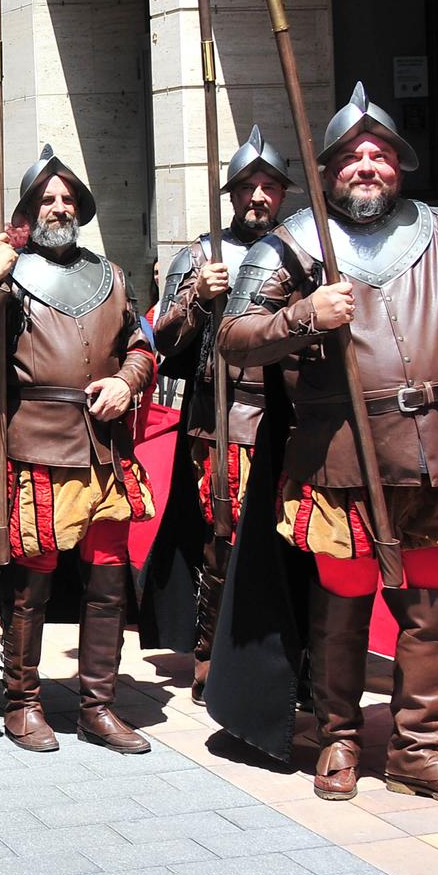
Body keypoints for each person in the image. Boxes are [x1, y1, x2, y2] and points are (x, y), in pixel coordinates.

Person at [219, 83, 438, 807]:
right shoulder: (295, 240)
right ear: (330, 167)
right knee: (343, 602)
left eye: (379, 154)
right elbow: (233, 336)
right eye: (350, 156)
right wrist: (303, 313)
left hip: (436, 447)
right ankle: (339, 736)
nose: (366, 165)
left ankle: (418, 749)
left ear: (399, 164)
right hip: (339, 449)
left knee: (434, 607)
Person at [0, 143, 159, 757]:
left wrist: (126, 383)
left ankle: (97, 705)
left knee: (106, 583)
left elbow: (142, 347)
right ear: (27, 209)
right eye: (46, 198)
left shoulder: (112, 274)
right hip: (36, 444)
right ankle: (22, 702)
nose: (58, 205)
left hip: (103, 448)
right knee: (30, 585)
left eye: (67, 197)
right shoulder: (3, 272)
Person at [151, 125, 291, 700]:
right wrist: (195, 297)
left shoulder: (302, 247)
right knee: (222, 537)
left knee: (288, 539)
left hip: (290, 411)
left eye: (269, 187)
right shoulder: (202, 255)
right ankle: (212, 652)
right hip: (223, 414)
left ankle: (281, 655)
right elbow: (165, 339)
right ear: (231, 194)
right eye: (247, 186)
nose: (258, 196)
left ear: (282, 194)